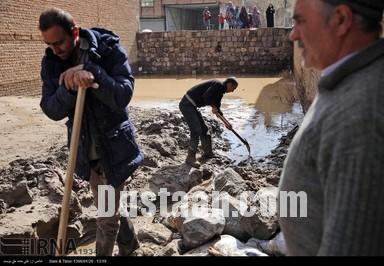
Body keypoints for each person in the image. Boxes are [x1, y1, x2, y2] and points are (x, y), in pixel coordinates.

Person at [278, 0, 384, 256]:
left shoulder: (359, 113)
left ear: (341, 20)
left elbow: (352, 245)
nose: (293, 35)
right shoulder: (346, 82)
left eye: (300, 21)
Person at [38, 8, 143, 256]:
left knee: (106, 219)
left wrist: (92, 73)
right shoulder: (52, 63)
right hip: (87, 152)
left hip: (115, 150)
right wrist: (70, 86)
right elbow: (51, 108)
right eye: (50, 44)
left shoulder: (107, 49)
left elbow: (122, 94)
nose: (56, 50)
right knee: (109, 206)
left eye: (60, 42)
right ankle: (131, 246)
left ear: (74, 32)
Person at [179, 78, 238, 167]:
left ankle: (208, 153)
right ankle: (190, 159)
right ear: (229, 84)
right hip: (187, 104)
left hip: (193, 106)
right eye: (233, 88)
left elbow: (217, 108)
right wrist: (213, 106)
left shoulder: (220, 92)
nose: (232, 91)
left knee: (204, 130)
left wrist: (226, 123)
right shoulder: (217, 85)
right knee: (196, 131)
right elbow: (206, 97)